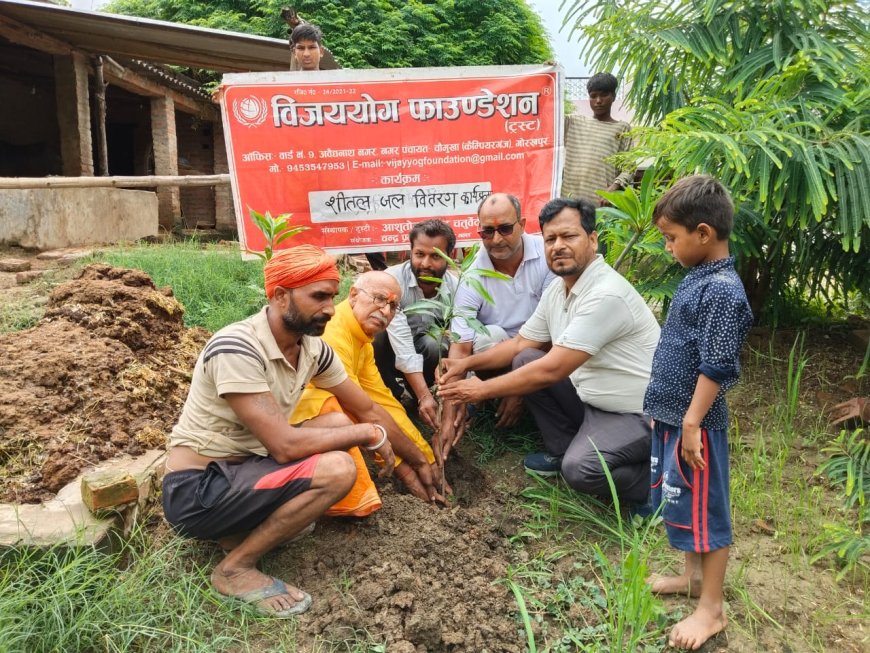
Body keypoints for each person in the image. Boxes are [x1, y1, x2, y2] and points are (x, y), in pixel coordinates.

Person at [162, 245, 397, 618]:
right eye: (318, 297)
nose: (329, 309)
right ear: (280, 295)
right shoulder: (237, 347)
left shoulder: (310, 349)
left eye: (332, 297)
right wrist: (366, 434)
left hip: (245, 471)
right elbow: (286, 447)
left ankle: (236, 531)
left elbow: (366, 406)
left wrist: (414, 458)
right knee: (339, 468)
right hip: (197, 491)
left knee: (337, 421)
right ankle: (234, 568)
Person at [438, 197, 660, 506]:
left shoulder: (605, 294)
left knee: (580, 470)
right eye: (551, 239)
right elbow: (520, 344)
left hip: (638, 412)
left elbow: (552, 369)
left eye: (569, 236)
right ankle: (565, 448)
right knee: (525, 358)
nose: (558, 246)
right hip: (594, 398)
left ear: (592, 239)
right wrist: (465, 365)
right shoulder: (559, 288)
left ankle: (657, 483)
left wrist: (482, 389)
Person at [643, 175, 753, 650]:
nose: (669, 247)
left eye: (672, 238)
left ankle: (711, 607)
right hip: (674, 417)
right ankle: (690, 578)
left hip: (698, 426)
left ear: (704, 233)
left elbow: (716, 364)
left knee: (707, 510)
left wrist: (690, 422)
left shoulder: (724, 290)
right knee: (681, 499)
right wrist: (664, 412)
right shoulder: (699, 278)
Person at [292, 271, 445, 504]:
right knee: (333, 407)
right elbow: (362, 411)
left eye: (393, 306)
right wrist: (409, 466)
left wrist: (425, 456)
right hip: (287, 429)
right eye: (380, 299)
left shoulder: (362, 338)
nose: (386, 311)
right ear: (353, 295)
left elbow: (382, 401)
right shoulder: (333, 334)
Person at [437, 193, 556, 457]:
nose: (497, 239)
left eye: (505, 228)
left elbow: (552, 332)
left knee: (530, 352)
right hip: (497, 353)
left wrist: (518, 390)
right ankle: (478, 405)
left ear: (522, 224)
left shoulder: (548, 258)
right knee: (487, 336)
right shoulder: (473, 274)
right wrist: (447, 416)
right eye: (487, 232)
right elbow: (460, 347)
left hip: (540, 351)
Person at [289, 22, 387, 270]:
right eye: (301, 48)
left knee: (361, 224)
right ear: (294, 52)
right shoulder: (280, 87)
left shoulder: (337, 84)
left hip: (338, 170)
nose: (307, 53)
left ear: (322, 51)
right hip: (301, 173)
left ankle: (383, 275)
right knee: (303, 228)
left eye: (312, 47)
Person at [373, 219, 458, 428]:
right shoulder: (392, 281)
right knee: (378, 332)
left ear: (450, 256)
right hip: (392, 352)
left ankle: (421, 393)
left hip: (425, 356)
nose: (426, 264)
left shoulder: (457, 288)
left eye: (436, 256)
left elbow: (463, 341)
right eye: (419, 254)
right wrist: (423, 396)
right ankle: (388, 395)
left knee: (435, 341)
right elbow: (401, 339)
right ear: (409, 252)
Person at [561, 72, 634, 206]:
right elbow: (547, 110)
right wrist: (549, 73)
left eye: (604, 95)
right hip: (569, 203)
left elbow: (629, 167)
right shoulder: (572, 123)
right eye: (593, 96)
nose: (598, 101)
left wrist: (613, 189)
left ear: (613, 96)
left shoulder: (622, 128)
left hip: (601, 206)